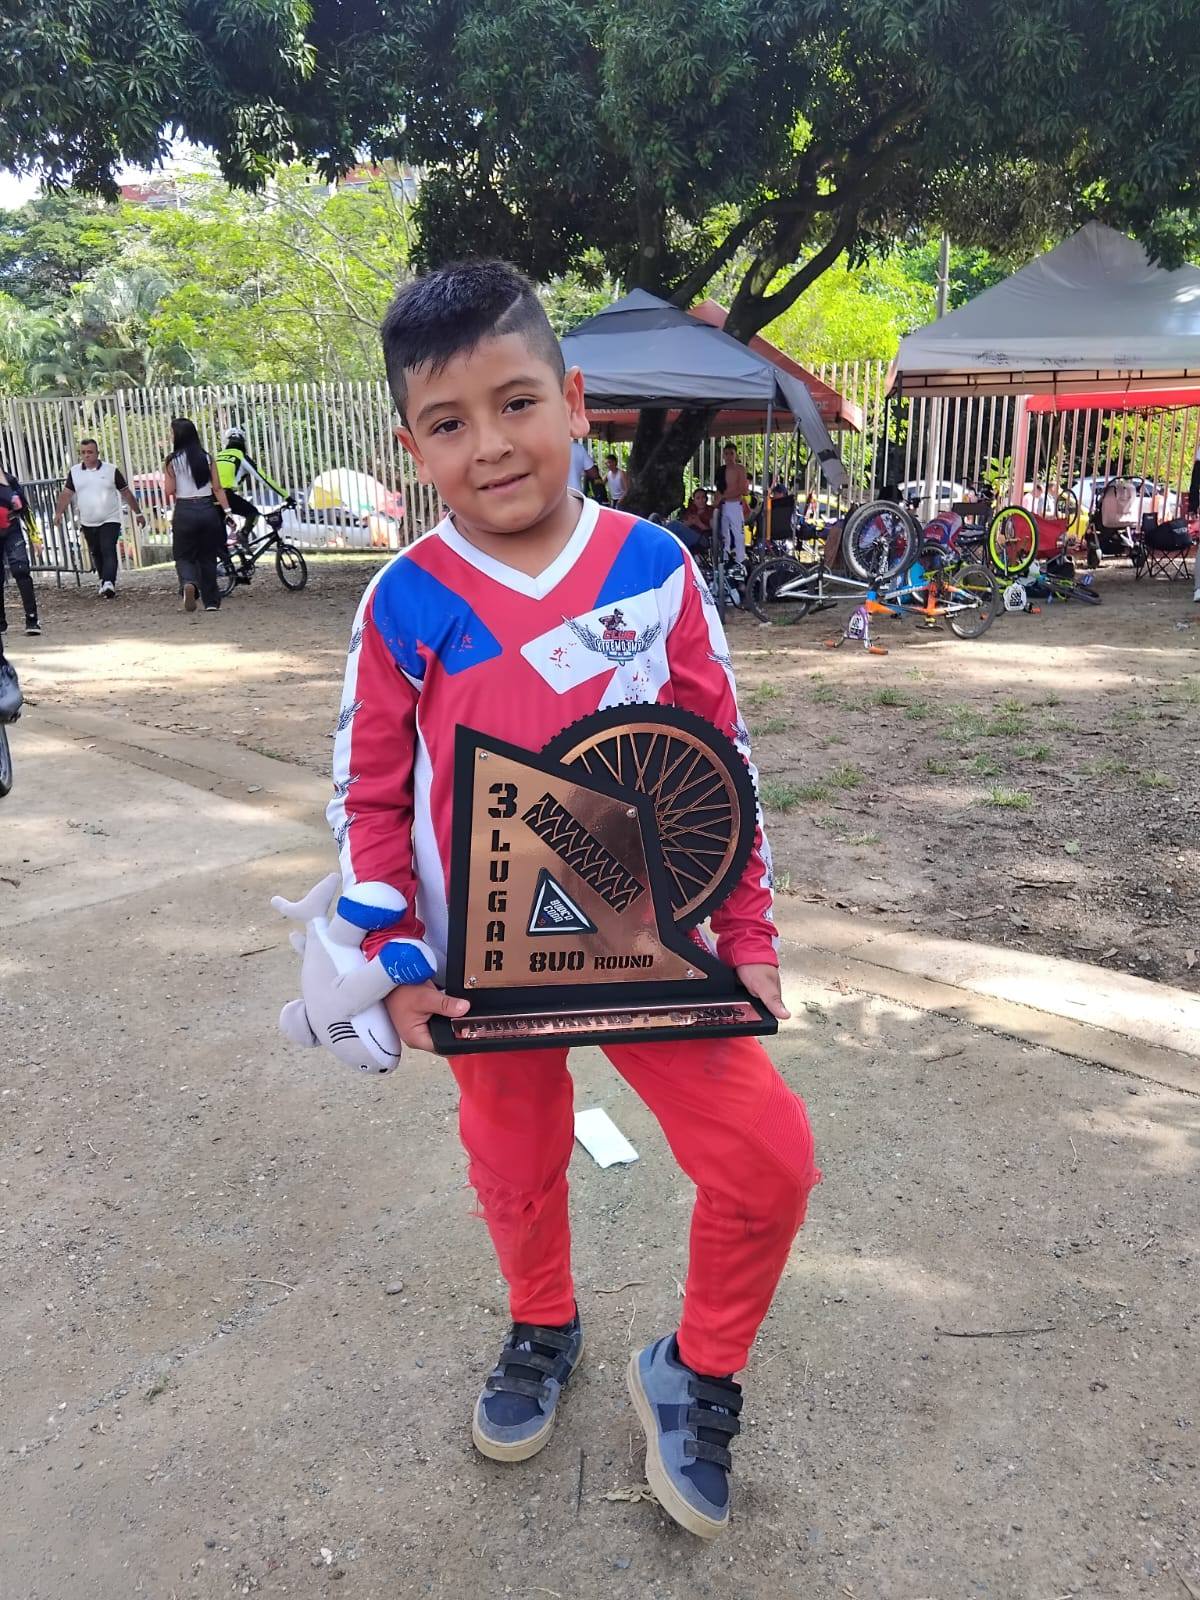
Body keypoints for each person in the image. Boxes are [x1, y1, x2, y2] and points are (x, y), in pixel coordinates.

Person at [327, 260, 817, 1540]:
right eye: (449, 422)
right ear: (412, 447)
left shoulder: (655, 566)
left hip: (655, 941)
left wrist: (749, 934)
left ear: (577, 401)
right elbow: (368, 794)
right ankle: (542, 1320)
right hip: (485, 966)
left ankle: (696, 1368)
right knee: (514, 1156)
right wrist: (393, 952)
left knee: (770, 1159)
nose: (490, 445)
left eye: (517, 402)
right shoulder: (405, 599)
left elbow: (722, 758)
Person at [52, 438, 146, 599]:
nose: (86, 455)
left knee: (108, 548)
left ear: (97, 453)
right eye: (83, 452)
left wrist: (138, 513)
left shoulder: (111, 470)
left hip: (110, 518)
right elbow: (67, 493)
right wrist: (59, 513)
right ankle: (103, 580)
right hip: (88, 520)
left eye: (90, 452)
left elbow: (126, 492)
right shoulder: (75, 472)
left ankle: (109, 582)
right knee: (96, 551)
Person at [164, 418, 230, 614]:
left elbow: (169, 490)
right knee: (207, 557)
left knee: (183, 555)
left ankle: (189, 583)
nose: (170, 436)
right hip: (207, 509)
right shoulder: (207, 458)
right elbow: (217, 488)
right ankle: (211, 602)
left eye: (172, 433)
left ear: (178, 436)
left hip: (185, 509)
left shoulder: (172, 461)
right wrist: (227, 512)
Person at [214, 428, 293, 546]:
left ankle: (227, 556)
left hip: (210, 497)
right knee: (253, 514)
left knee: (221, 535)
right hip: (226, 495)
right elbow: (264, 479)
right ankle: (243, 535)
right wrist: (287, 496)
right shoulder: (241, 456)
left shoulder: (217, 456)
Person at [0, 467, 39, 637]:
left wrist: (35, 537)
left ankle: (32, 619)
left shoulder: (10, 480)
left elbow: (25, 509)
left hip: (11, 529)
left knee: (21, 570)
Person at [715, 442, 748, 559]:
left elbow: (743, 490)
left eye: (731, 453)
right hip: (722, 505)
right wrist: (716, 502)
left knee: (738, 534)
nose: (729, 456)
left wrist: (724, 496)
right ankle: (725, 558)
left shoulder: (740, 469)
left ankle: (740, 559)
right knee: (724, 535)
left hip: (734, 504)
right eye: (726, 454)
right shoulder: (721, 470)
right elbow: (718, 489)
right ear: (723, 456)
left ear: (735, 455)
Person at [664, 486, 712, 552]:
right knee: (673, 536)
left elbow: (712, 531)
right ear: (694, 501)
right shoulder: (691, 511)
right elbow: (683, 524)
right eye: (698, 498)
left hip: (702, 538)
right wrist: (688, 523)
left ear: (706, 499)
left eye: (703, 497)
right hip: (688, 536)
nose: (701, 500)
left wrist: (698, 523)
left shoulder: (711, 511)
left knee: (674, 524)